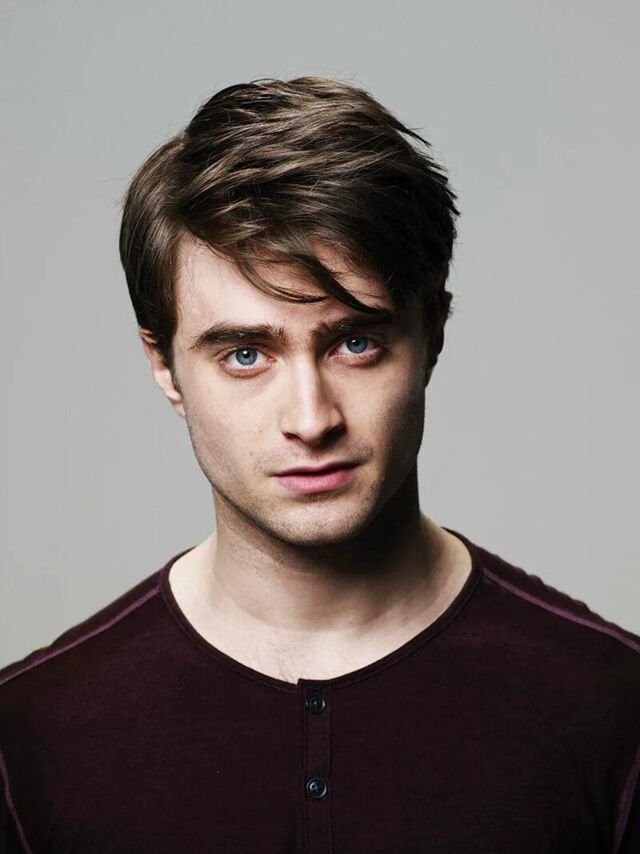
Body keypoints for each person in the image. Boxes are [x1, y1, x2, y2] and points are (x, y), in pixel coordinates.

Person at [0, 76, 638, 854]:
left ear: (432, 335)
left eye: (355, 343)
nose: (311, 419)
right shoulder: (30, 736)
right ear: (164, 366)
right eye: (244, 354)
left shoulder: (612, 710)